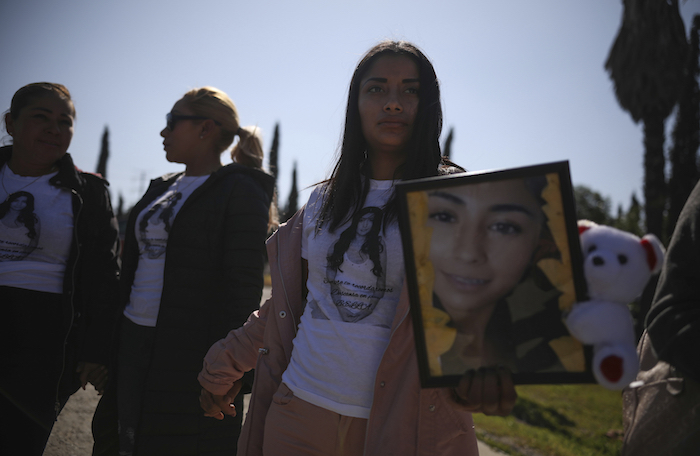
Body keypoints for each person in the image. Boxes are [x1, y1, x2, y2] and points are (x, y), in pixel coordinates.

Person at [198, 41, 517, 456]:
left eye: (411, 90)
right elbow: (288, 308)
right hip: (296, 414)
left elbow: (486, 321)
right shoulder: (320, 204)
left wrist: (485, 378)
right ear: (356, 103)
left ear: (429, 105)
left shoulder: (457, 205)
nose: (394, 103)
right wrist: (222, 364)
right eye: (377, 89)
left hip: (404, 430)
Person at [93, 86, 276, 456]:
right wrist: (105, 348)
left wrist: (229, 373)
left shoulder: (240, 191)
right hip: (133, 342)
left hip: (189, 352)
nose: (164, 132)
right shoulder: (161, 188)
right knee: (118, 440)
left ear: (206, 128)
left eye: (172, 122)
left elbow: (242, 290)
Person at [0, 82, 120, 455]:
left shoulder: (89, 191)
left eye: (64, 122)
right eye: (41, 117)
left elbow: (104, 275)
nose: (55, 128)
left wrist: (95, 351)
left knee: (19, 441)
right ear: (11, 123)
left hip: (46, 340)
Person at [423, 176, 569, 375]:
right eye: (444, 216)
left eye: (503, 227)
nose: (468, 253)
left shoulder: (556, 350)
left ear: (540, 246)